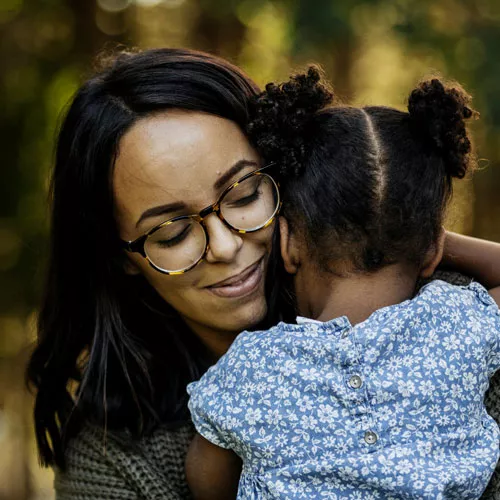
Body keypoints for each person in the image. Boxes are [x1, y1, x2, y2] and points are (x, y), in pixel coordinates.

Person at [26, 48, 500, 499]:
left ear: (288, 175)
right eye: (171, 234)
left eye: (244, 194)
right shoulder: (112, 458)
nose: (227, 245)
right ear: (119, 257)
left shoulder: (442, 322)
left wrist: (396, 231)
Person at [185, 69, 500, 499]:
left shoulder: (251, 368)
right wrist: (430, 236)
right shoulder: (458, 323)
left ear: (288, 243)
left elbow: (205, 484)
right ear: (431, 252)